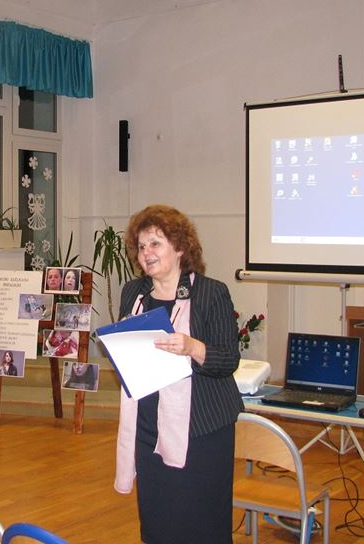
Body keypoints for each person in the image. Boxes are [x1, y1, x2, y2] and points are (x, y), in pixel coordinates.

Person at [113, 204, 243, 544]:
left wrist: (192, 347)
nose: (146, 253)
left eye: (155, 243)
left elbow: (228, 360)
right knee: (157, 520)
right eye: (141, 246)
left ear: (181, 247)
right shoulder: (133, 293)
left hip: (201, 430)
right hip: (148, 425)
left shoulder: (211, 293)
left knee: (199, 522)